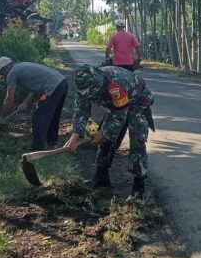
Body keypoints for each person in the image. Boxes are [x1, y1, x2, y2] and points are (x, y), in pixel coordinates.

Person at [64, 64, 154, 199]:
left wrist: (104, 135)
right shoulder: (82, 85)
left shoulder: (114, 84)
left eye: (91, 92)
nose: (88, 94)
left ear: (97, 84)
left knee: (136, 139)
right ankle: (101, 179)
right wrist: (75, 135)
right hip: (116, 105)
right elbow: (81, 110)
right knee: (105, 137)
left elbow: (120, 115)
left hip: (138, 100)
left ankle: (138, 188)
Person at [0, 57, 68, 151]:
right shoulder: (22, 65)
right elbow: (36, 88)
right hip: (62, 83)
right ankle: (52, 144)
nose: (2, 75)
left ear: (6, 67)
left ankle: (37, 150)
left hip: (52, 87)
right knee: (53, 116)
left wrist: (2, 117)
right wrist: (25, 103)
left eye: (1, 72)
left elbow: (9, 99)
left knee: (38, 117)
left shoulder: (12, 73)